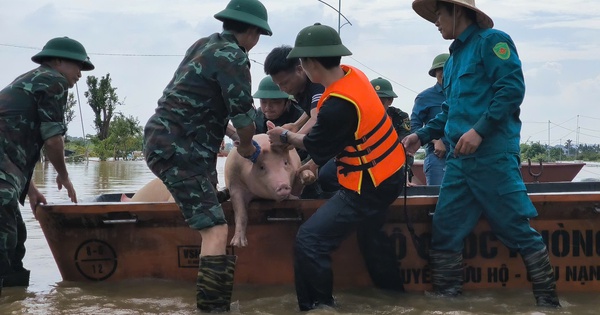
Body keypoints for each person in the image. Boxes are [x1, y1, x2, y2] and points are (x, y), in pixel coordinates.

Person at [406, 0, 560, 307]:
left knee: (516, 227)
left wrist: (480, 130)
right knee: (445, 229)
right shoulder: (452, 61)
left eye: (438, 14)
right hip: (459, 163)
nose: (435, 21)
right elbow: (449, 111)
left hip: (492, 157)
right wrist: (420, 135)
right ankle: (447, 303)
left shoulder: (492, 42)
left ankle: (549, 302)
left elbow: (511, 89)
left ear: (457, 10)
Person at [142, 0, 271, 311]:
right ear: (252, 31)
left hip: (171, 141)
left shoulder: (204, 44)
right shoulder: (234, 57)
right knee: (215, 228)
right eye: (258, 36)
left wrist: (230, 135)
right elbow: (244, 120)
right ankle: (213, 308)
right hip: (180, 149)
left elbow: (197, 103)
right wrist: (245, 146)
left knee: (211, 205)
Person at [267, 23, 407, 311]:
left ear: (309, 64)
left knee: (309, 240)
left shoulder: (338, 104)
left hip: (367, 185)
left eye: (303, 63)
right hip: (390, 174)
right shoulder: (353, 77)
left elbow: (318, 145)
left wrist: (285, 136)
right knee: (371, 235)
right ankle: (395, 299)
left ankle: (319, 307)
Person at [0, 36, 91, 291]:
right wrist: (64, 175)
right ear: (58, 61)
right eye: (78, 67)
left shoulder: (29, 80)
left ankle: (14, 303)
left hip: (8, 175)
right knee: (5, 247)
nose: (80, 75)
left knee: (15, 239)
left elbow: (11, 143)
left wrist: (30, 189)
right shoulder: (54, 81)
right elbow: (53, 140)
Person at [410, 53, 450, 185]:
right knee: (437, 200)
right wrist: (435, 140)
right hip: (438, 156)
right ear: (435, 73)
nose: (444, 73)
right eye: (440, 70)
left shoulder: (463, 95)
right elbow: (414, 127)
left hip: (463, 156)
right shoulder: (425, 97)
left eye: (448, 68)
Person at [370, 77, 414, 183]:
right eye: (372, 99)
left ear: (390, 101)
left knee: (406, 154)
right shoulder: (359, 117)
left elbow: (404, 141)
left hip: (393, 157)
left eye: (381, 101)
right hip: (368, 159)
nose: (376, 104)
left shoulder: (399, 116)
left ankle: (404, 180)